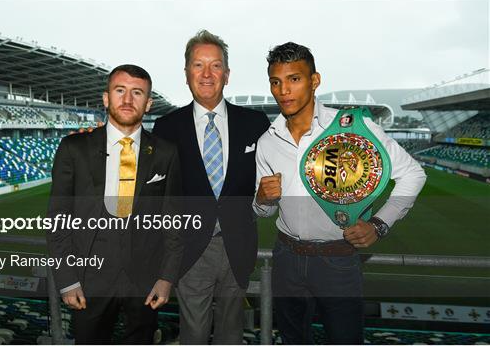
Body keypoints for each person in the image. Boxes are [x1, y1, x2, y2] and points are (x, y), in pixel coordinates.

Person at [253, 42, 427, 344]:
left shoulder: (352, 125)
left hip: (336, 259)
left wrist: (379, 223)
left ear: (314, 80)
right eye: (276, 82)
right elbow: (264, 212)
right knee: (293, 341)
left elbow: (413, 173)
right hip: (286, 257)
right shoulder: (267, 141)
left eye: (294, 79)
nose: (284, 90)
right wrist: (261, 199)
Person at [47, 64, 183, 344]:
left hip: (144, 283)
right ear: (106, 97)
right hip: (88, 280)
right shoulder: (73, 149)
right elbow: (57, 220)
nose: (128, 99)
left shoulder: (166, 153)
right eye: (120, 91)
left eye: (137, 93)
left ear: (148, 104)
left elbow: (173, 222)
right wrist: (67, 279)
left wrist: (166, 278)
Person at [153, 30, 270, 344]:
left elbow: (268, 189)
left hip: (238, 246)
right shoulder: (165, 128)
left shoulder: (256, 124)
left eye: (215, 66)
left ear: (227, 74)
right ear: (187, 74)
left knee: (232, 333)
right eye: (198, 65)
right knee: (193, 334)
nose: (207, 74)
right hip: (188, 250)